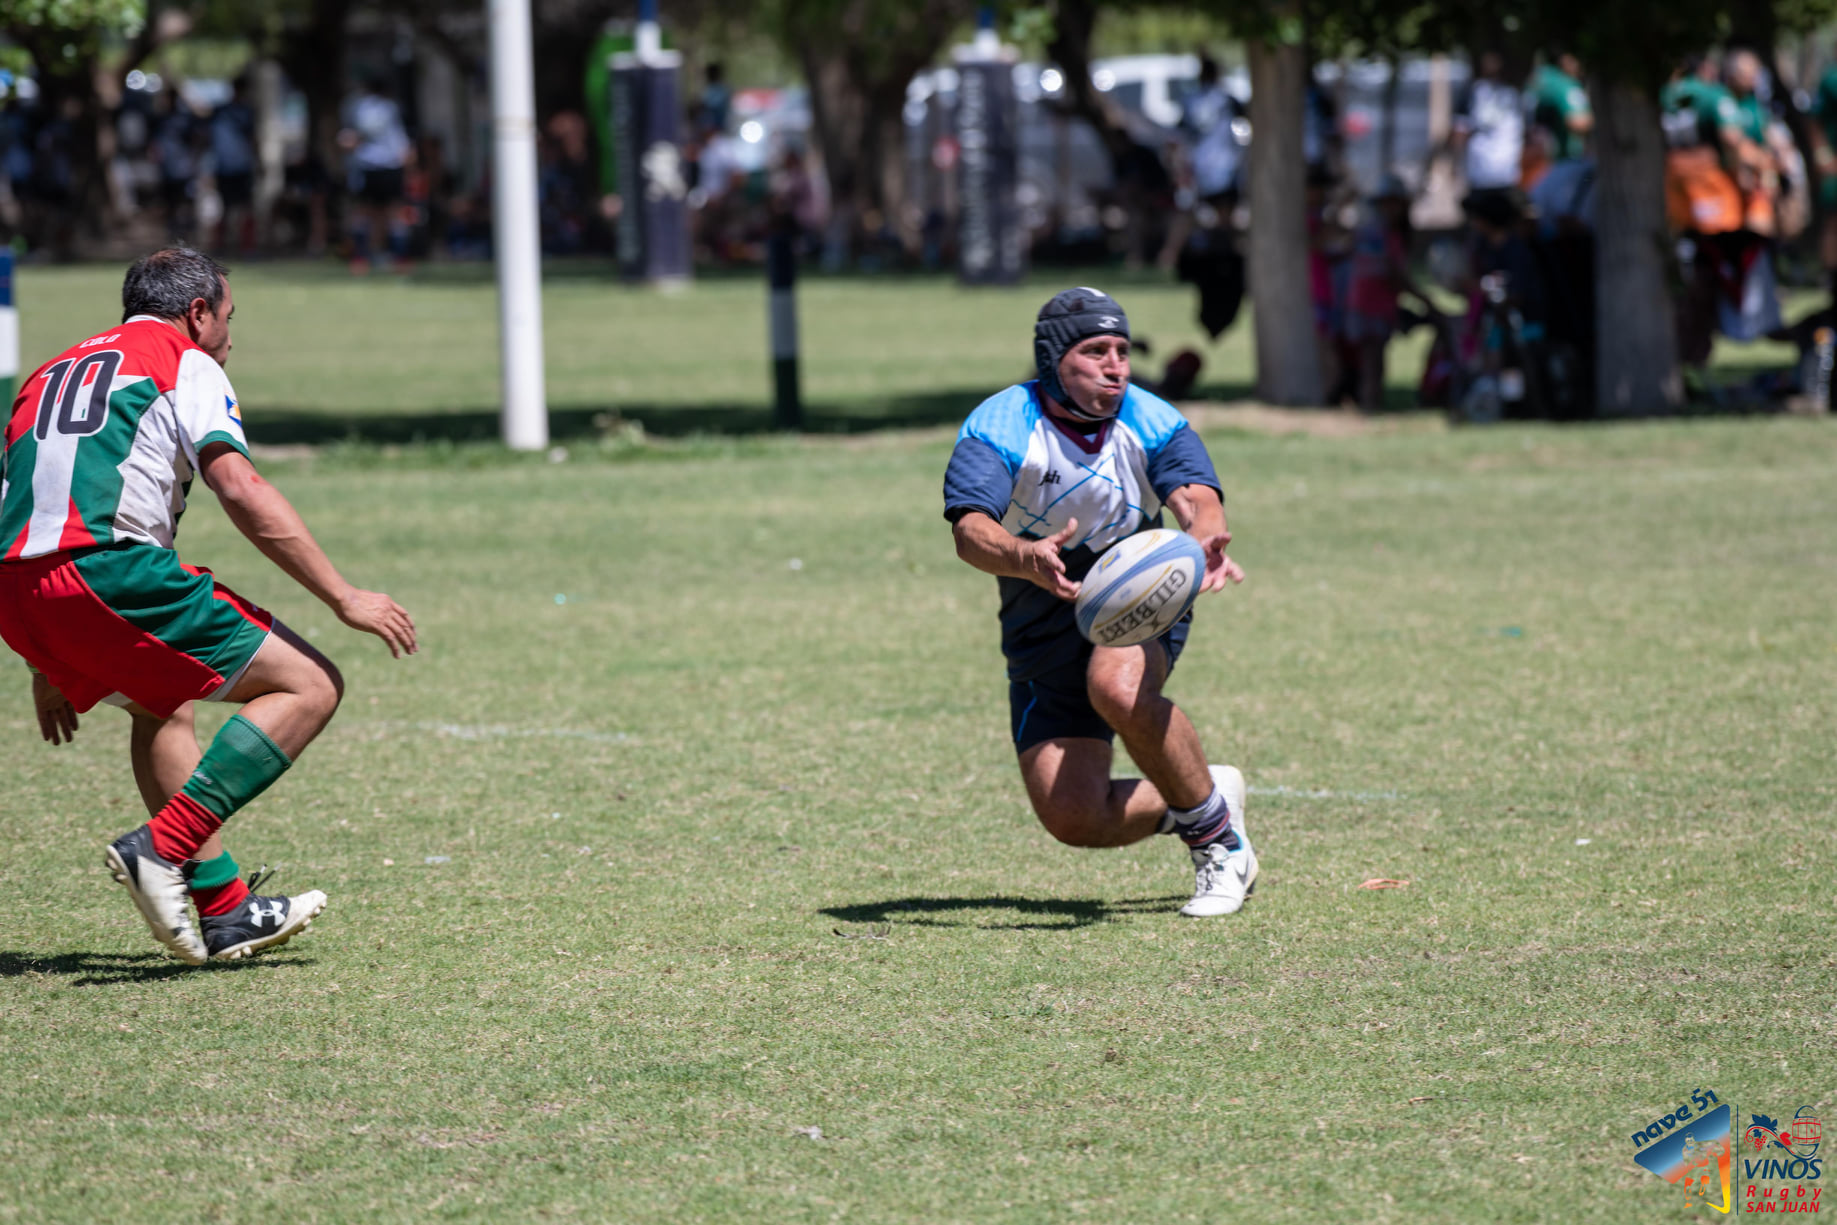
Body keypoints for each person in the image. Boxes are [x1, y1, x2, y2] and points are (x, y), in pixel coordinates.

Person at [0, 247, 417, 964]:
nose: (230, 336)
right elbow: (241, 488)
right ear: (197, 312)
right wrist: (344, 596)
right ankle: (159, 848)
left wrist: (49, 652)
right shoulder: (182, 360)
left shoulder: (52, 369)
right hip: (110, 569)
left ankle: (226, 912)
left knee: (161, 705)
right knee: (310, 684)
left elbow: (30, 494)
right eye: (228, 316)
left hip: (19, 588)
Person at [941, 288, 1255, 919]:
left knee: (1115, 685)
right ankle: (1204, 790)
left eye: (1121, 350)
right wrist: (1021, 556)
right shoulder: (1001, 425)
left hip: (1137, 593)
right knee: (1075, 816)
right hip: (1040, 610)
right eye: (1095, 351)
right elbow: (970, 529)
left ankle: (1219, 844)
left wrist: (1203, 539)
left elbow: (1197, 496)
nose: (1116, 365)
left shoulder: (1152, 418)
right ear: (1055, 358)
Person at [338, 72, 412, 273]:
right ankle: (376, 256)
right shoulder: (382, 107)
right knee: (382, 213)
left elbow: (354, 136)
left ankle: (377, 257)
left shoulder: (371, 107)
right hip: (378, 166)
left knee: (372, 213)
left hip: (376, 166)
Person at [1452, 51, 1525, 200]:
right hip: (1479, 173)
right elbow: (1460, 131)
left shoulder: (1513, 94)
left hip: (1508, 172)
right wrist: (1456, 164)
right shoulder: (1472, 93)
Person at [208, 77, 258, 254]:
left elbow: (253, 140)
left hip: (242, 166)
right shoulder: (220, 111)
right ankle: (221, 245)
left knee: (246, 207)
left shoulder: (247, 112)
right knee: (225, 208)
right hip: (224, 167)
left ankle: (247, 246)